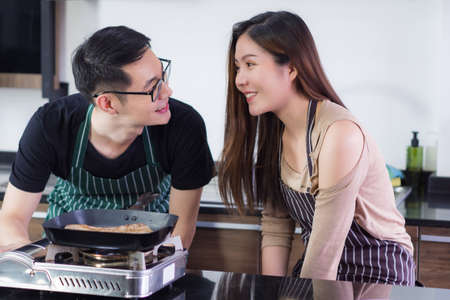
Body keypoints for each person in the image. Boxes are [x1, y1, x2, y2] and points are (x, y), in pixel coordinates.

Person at [218, 11, 415, 285]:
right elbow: (276, 227)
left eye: (250, 65)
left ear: (291, 68)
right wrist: (270, 292)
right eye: (238, 67)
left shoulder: (339, 134)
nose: (239, 79)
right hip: (321, 269)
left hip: (377, 270)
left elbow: (323, 256)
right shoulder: (275, 133)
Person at [0, 26, 214, 251]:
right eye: (154, 87)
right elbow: (11, 218)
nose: (167, 91)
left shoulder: (184, 125)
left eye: (163, 77)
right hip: (66, 249)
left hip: (151, 251)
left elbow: (181, 231)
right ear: (108, 103)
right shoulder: (51, 125)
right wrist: (35, 261)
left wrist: (153, 272)